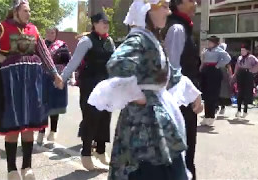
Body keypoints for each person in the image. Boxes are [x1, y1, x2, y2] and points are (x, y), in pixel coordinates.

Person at [87, 0, 203, 179]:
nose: (168, 12)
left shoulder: (152, 39)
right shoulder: (138, 38)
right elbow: (117, 64)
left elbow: (167, 75)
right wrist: (136, 94)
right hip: (144, 122)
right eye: (164, 7)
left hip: (156, 117)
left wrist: (193, 93)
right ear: (148, 10)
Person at [0, 0, 63, 179]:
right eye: (26, 11)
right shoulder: (1, 27)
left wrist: (55, 75)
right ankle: (12, 169)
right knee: (12, 124)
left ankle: (27, 167)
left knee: (29, 123)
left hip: (30, 81)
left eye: (29, 11)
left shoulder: (33, 30)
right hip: (8, 80)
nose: (29, 14)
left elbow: (43, 53)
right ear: (15, 11)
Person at [61, 12, 115, 170]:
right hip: (90, 84)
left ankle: (101, 151)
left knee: (105, 117)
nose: (106, 24)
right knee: (91, 118)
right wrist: (62, 78)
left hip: (106, 84)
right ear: (95, 24)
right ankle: (86, 154)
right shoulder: (86, 41)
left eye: (107, 22)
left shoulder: (109, 41)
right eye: (103, 22)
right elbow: (73, 62)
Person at [162, 0, 200, 178]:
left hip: (184, 97)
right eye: (191, 0)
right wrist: (192, 94)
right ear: (178, 3)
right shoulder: (177, 29)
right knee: (183, 148)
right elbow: (172, 69)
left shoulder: (183, 27)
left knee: (185, 149)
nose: (195, 3)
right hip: (180, 100)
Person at [36, 27, 71, 145]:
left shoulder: (62, 46)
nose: (50, 34)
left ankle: (53, 131)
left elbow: (68, 62)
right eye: (48, 32)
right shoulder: (41, 45)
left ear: (56, 34)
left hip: (57, 78)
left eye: (52, 32)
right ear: (45, 33)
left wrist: (67, 77)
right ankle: (41, 131)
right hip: (43, 78)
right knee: (43, 105)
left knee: (55, 105)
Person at [200, 36, 231, 126]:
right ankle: (206, 116)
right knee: (205, 95)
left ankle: (211, 116)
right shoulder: (206, 51)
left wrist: (218, 65)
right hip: (206, 70)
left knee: (212, 95)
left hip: (214, 71)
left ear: (214, 43)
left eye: (210, 42)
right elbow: (203, 61)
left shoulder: (218, 50)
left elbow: (227, 58)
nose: (208, 43)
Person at [233, 44, 258, 118]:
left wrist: (252, 70)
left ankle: (245, 110)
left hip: (248, 75)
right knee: (239, 92)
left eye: (243, 50)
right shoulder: (239, 58)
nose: (242, 52)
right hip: (240, 74)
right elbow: (237, 66)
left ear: (247, 51)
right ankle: (239, 110)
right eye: (241, 50)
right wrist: (234, 74)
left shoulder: (251, 57)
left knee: (246, 93)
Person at [218, 43, 233, 115]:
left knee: (223, 92)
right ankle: (218, 106)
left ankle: (222, 107)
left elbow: (229, 67)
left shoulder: (226, 56)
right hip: (219, 75)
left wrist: (230, 76)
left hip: (224, 76)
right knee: (218, 92)